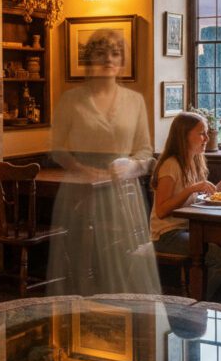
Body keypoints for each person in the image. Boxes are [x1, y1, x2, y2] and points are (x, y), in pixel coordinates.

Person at [47, 29, 160, 296]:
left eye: (115, 53)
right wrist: (83, 169)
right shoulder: (71, 99)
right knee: (80, 263)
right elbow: (57, 149)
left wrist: (132, 166)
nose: (108, 59)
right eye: (100, 53)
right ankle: (80, 322)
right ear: (89, 60)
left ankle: (121, 323)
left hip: (121, 193)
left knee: (122, 260)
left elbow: (145, 150)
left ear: (121, 61)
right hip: (79, 192)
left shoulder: (135, 101)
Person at [150, 112, 221, 304]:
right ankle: (197, 306)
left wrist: (216, 189)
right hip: (165, 235)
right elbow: (162, 210)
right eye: (201, 134)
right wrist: (192, 188)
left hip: (189, 228)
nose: (207, 138)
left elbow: (193, 200)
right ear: (184, 135)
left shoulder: (194, 162)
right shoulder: (171, 165)